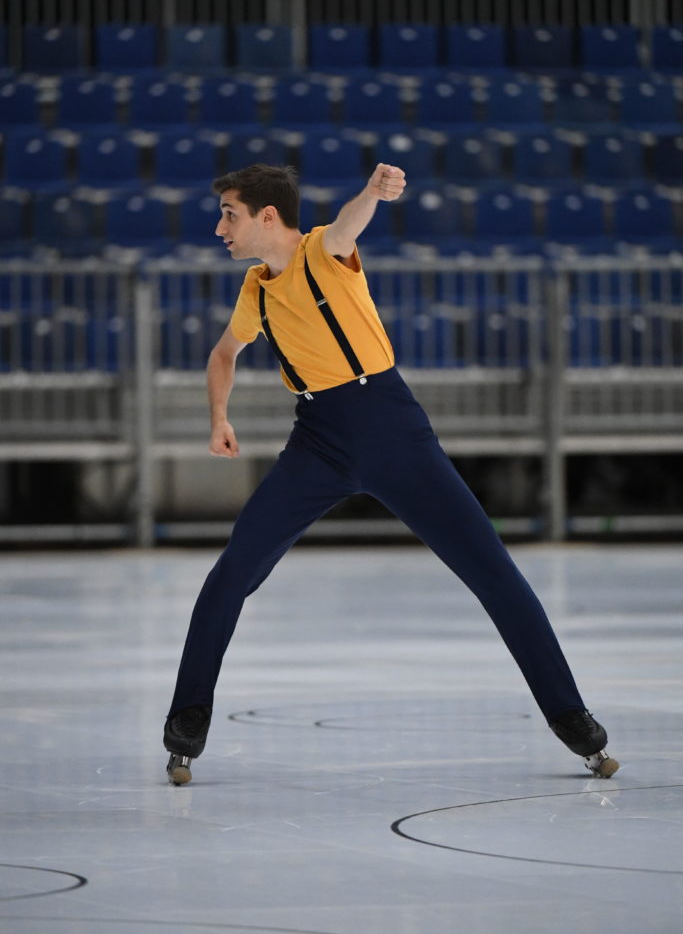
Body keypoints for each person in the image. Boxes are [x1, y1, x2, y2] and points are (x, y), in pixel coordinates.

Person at [163, 162, 619, 785]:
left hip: (391, 429)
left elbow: (350, 225)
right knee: (234, 569)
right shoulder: (255, 289)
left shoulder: (324, 250)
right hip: (318, 440)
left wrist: (373, 193)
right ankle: (187, 716)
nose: (221, 228)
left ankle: (570, 716)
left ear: (268, 217)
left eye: (229, 215)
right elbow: (224, 353)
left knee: (493, 571)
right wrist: (219, 415)